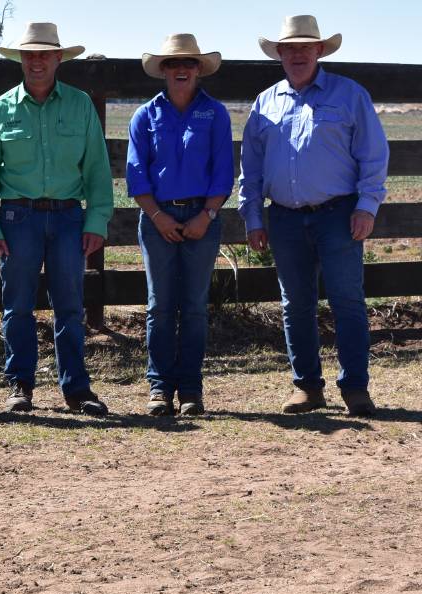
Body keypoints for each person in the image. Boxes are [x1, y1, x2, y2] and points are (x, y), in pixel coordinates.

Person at [237, 15, 388, 417]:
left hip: (338, 214)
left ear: (320, 50)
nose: (298, 53)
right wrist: (252, 216)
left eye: (306, 46)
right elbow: (250, 167)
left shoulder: (350, 95)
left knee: (348, 302)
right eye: (290, 48)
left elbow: (373, 155)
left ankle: (355, 387)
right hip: (284, 218)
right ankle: (307, 386)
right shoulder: (265, 103)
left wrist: (366, 206)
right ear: (280, 55)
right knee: (295, 304)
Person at [0, 22, 113, 416]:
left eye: (44, 54)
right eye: (30, 54)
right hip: (17, 218)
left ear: (58, 59)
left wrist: (96, 221)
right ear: (21, 59)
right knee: (16, 305)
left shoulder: (80, 105)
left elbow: (98, 171)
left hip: (68, 217)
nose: (37, 61)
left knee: (70, 304)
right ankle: (20, 384)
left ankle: (77, 388)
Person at [126, 34, 233, 416]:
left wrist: (207, 216)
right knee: (159, 306)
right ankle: (158, 388)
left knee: (194, 306)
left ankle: (190, 389)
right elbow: (136, 174)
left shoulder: (216, 114)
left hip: (203, 218)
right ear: (164, 71)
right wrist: (157, 216)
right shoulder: (145, 115)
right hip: (158, 218)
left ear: (199, 70)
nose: (182, 69)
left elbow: (224, 172)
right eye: (174, 64)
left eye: (189, 63)